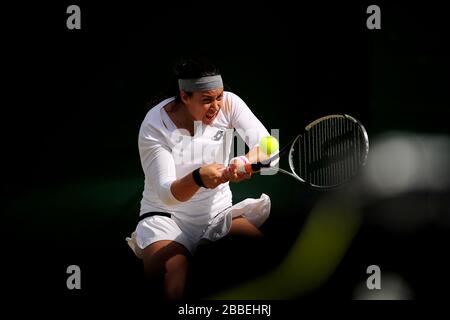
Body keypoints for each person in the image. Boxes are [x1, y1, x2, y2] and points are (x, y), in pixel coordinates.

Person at [126, 57, 272, 300]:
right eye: (206, 100)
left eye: (219, 97)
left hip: (218, 214)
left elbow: (268, 144)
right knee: (171, 282)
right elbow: (167, 195)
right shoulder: (154, 126)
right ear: (184, 96)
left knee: (266, 261)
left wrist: (245, 161)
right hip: (166, 217)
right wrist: (197, 179)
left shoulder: (229, 104)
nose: (215, 106)